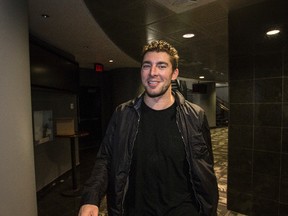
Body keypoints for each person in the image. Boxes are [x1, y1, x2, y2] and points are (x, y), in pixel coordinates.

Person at [78, 40, 218, 216]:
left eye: (161, 66)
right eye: (147, 66)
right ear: (141, 71)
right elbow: (105, 159)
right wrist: (91, 197)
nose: (153, 73)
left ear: (174, 73)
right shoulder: (123, 114)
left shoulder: (195, 116)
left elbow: (205, 169)